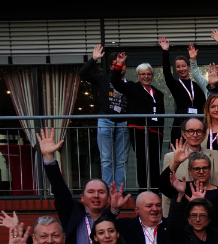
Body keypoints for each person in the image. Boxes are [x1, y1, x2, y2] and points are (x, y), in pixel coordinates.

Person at [36, 128, 125, 244]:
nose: (96, 195)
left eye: (101, 192)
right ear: (82, 198)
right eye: (91, 192)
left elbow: (108, 219)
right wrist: (48, 157)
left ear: (108, 198)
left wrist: (114, 210)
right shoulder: (71, 212)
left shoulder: (113, 218)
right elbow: (59, 188)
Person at [110, 55, 165, 192]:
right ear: (138, 75)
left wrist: (161, 131)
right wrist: (118, 65)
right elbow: (115, 82)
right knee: (142, 160)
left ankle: (155, 188)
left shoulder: (158, 93)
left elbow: (162, 114)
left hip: (155, 131)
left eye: (149, 74)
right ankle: (144, 190)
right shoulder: (132, 87)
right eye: (143, 74)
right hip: (139, 129)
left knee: (154, 161)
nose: (146, 76)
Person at [80, 45, 128, 188]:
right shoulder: (103, 79)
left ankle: (120, 190)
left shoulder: (130, 84)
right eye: (116, 64)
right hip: (105, 120)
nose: (119, 66)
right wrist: (94, 59)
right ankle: (107, 189)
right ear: (112, 67)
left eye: (122, 63)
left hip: (122, 123)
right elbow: (83, 74)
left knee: (122, 160)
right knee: (106, 159)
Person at [162, 117, 218, 190]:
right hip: (185, 203)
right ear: (184, 134)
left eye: (199, 131)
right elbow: (166, 186)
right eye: (191, 131)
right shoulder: (171, 157)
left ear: (204, 134)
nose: (195, 135)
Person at [159, 37, 207, 144]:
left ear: (188, 67)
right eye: (178, 67)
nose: (181, 69)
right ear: (175, 69)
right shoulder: (175, 85)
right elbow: (166, 73)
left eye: (184, 66)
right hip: (181, 120)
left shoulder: (197, 85)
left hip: (198, 120)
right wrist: (165, 51)